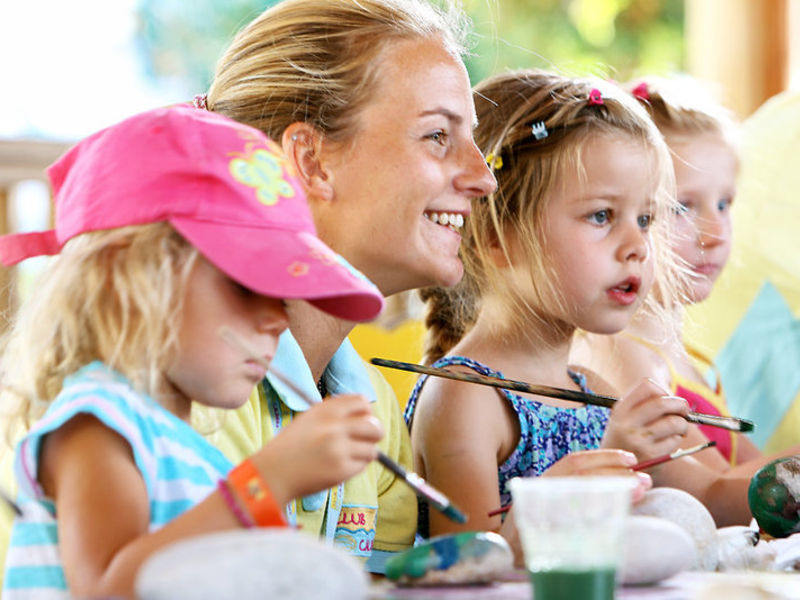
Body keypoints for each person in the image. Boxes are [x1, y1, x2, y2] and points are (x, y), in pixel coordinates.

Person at [0, 105, 387, 599]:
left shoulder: (193, 455)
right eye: (245, 286)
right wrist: (267, 481)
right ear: (129, 278)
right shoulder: (98, 425)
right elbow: (106, 590)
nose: (278, 320)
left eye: (284, 297)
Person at [197, 0, 496, 572]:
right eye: (437, 135)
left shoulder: (373, 409)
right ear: (311, 162)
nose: (482, 176)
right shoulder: (200, 382)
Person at [403, 69, 690, 559]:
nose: (638, 245)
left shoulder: (595, 393)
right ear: (497, 238)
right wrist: (604, 475)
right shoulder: (465, 397)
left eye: (644, 219)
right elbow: (471, 566)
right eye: (602, 216)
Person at [572, 76, 761, 468]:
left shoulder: (687, 355)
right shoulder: (624, 350)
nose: (716, 233)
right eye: (681, 207)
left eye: (724, 204)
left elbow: (752, 469)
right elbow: (723, 489)